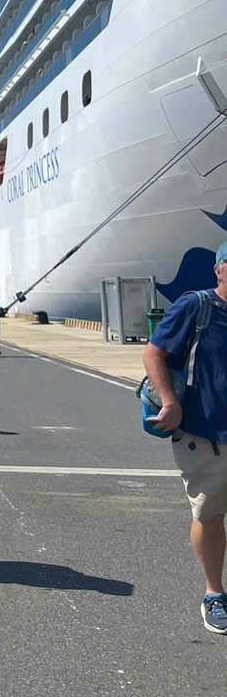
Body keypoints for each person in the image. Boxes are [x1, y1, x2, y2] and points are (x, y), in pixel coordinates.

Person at [142, 241, 227, 635]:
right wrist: (170, 401)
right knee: (209, 514)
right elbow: (154, 352)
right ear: (220, 269)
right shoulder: (197, 307)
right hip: (204, 433)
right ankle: (214, 593)